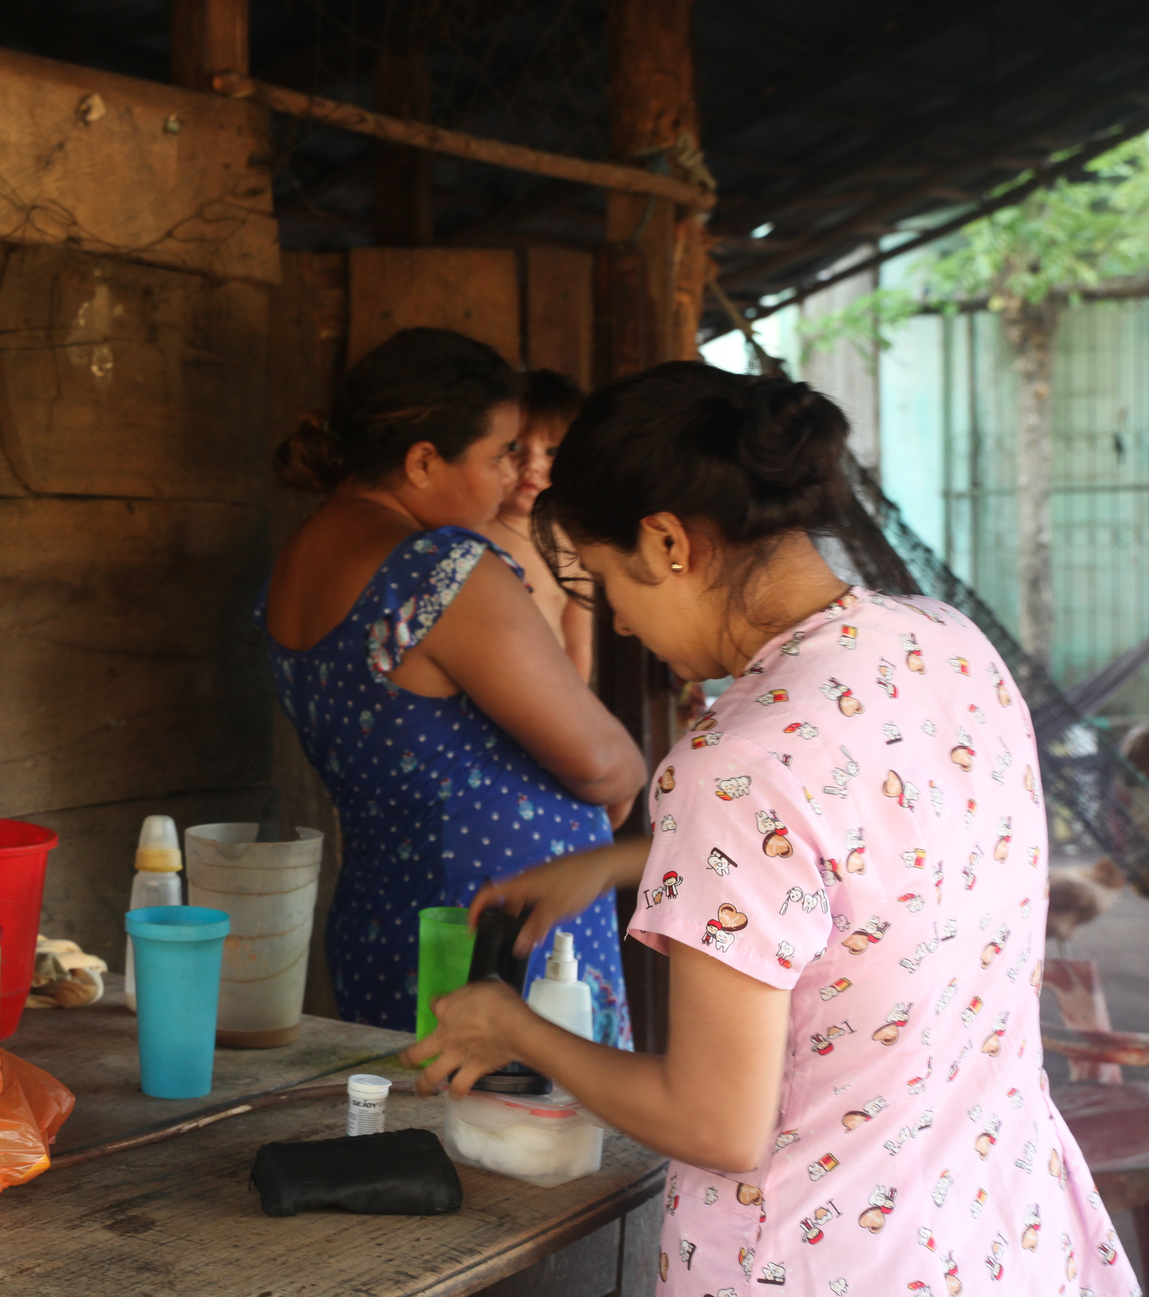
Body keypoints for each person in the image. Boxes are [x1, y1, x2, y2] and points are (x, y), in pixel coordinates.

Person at [410, 361, 1137, 1296]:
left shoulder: (734, 763)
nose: (620, 625)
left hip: (815, 1261)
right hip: (994, 1227)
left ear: (670, 541)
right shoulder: (944, 642)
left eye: (602, 579)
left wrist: (515, 1025)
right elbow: (877, 854)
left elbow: (714, 1122)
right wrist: (628, 861)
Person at [260, 328, 648, 1039]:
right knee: (522, 1135)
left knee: (416, 1138)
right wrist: (624, 774)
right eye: (502, 452)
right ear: (423, 460)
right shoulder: (439, 569)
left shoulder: (298, 560)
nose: (511, 476)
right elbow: (604, 765)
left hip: (387, 917)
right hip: (497, 930)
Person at [488, 370, 594, 680]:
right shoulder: (468, 531)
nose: (532, 464)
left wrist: (574, 712)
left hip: (545, 702)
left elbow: (578, 646)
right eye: (515, 447)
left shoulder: (573, 549)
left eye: (552, 452)